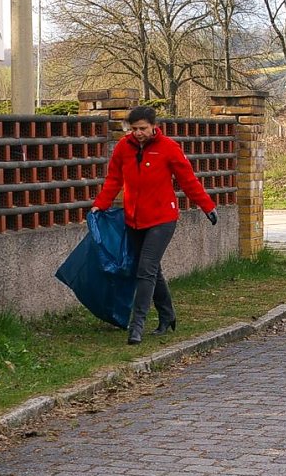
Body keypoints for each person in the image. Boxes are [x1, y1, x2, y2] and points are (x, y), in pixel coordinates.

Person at [91, 105, 218, 346]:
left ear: (153, 127)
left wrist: (207, 206)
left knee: (145, 270)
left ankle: (137, 326)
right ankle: (167, 314)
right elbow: (114, 179)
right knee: (150, 269)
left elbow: (188, 180)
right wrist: (100, 205)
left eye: (143, 128)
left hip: (162, 219)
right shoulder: (123, 148)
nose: (138, 133)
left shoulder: (168, 148)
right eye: (134, 129)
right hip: (134, 219)